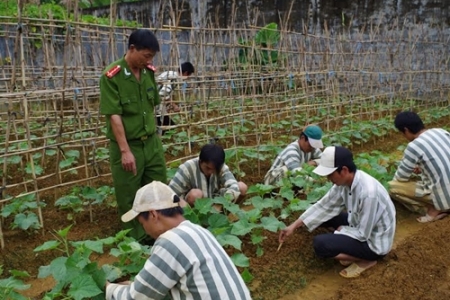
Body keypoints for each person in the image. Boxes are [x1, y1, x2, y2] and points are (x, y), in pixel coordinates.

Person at [105, 181, 252, 300]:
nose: (145, 231)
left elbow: (135, 298)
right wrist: (134, 285)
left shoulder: (170, 242)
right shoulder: (199, 231)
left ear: (153, 214)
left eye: (143, 224)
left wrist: (108, 288)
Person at [278, 146, 396, 278]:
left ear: (344, 170)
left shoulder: (369, 193)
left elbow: (363, 234)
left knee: (321, 244)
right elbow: (324, 205)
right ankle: (350, 247)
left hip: (374, 242)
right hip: (359, 223)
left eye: (330, 174)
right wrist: (293, 226)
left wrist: (341, 231)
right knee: (326, 217)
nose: (328, 178)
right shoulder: (345, 182)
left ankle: (366, 260)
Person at [99, 29, 167, 242]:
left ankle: (161, 233)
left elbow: (152, 105)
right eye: (146, 55)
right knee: (129, 195)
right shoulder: (113, 76)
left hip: (151, 143)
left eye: (151, 57)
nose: (149, 60)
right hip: (130, 146)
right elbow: (114, 115)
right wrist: (125, 150)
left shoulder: (148, 72)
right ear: (132, 49)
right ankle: (135, 242)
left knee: (158, 188)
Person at [389, 111, 450, 223]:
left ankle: (433, 209)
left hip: (446, 196)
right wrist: (423, 169)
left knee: (393, 187)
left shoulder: (414, 146)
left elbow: (401, 177)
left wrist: (411, 171)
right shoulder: (441, 132)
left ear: (406, 130)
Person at [169, 144, 247, 206]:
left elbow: (234, 186)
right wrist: (184, 206)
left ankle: (222, 216)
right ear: (200, 161)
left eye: (214, 169)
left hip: (214, 202)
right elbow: (171, 194)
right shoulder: (187, 168)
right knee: (195, 194)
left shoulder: (220, 167)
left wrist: (220, 206)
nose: (211, 172)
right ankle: (194, 221)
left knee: (241, 187)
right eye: (207, 168)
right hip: (193, 207)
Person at [156, 62, 195, 134]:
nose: (188, 78)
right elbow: (163, 94)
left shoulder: (171, 73)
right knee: (170, 126)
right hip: (155, 105)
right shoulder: (173, 78)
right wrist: (174, 106)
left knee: (162, 125)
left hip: (156, 104)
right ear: (186, 73)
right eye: (189, 75)